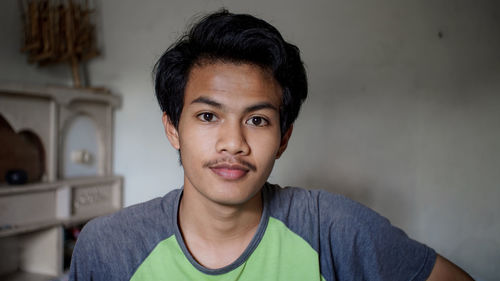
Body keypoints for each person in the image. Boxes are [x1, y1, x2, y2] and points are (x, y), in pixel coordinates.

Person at [69, 9, 473, 281]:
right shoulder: (108, 248)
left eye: (258, 120)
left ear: (283, 138)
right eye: (208, 116)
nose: (234, 143)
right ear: (173, 128)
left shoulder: (332, 229)